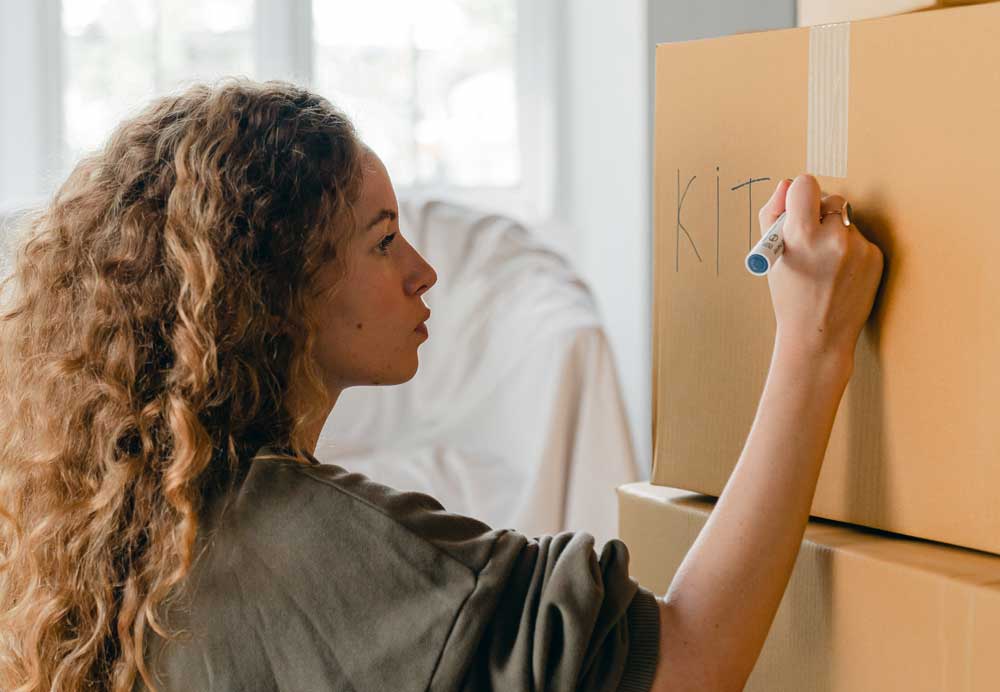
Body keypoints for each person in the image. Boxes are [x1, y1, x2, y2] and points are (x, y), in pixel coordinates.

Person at [0, 80, 883, 692]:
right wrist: (813, 345)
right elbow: (686, 664)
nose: (423, 272)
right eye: (384, 241)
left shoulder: (126, 521)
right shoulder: (299, 543)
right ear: (272, 288)